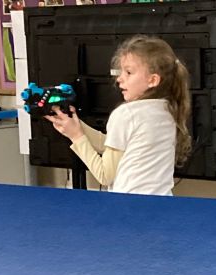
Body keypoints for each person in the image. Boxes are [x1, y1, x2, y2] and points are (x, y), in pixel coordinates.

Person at [45, 35, 192, 196]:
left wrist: (76, 137)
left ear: (153, 80)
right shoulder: (168, 109)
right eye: (121, 72)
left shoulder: (126, 114)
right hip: (162, 202)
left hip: (128, 205)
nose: (119, 79)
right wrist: (76, 127)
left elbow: (104, 175)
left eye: (128, 72)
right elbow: (115, 144)